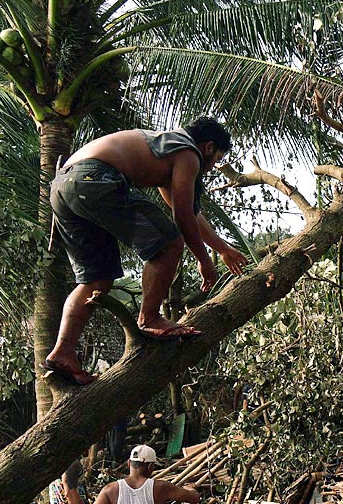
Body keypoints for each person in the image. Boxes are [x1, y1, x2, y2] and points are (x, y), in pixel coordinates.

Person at [44, 118, 249, 386]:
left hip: (64, 185)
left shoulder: (165, 149)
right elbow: (183, 218)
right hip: (94, 177)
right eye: (215, 159)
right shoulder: (188, 154)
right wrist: (203, 261)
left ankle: (63, 353)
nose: (210, 168)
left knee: (96, 280)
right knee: (168, 243)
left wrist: (222, 249)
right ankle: (150, 318)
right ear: (208, 147)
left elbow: (188, 210)